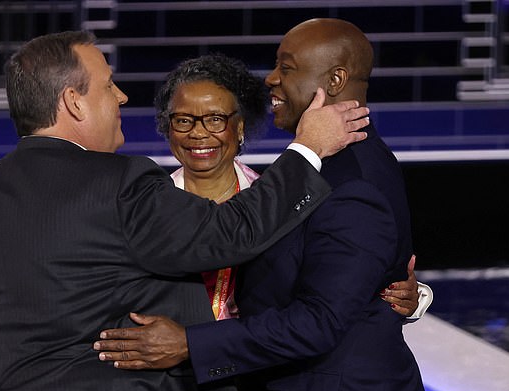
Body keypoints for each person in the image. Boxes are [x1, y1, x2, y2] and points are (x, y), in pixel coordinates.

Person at [0, 30, 369, 391]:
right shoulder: (119, 183)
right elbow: (233, 231)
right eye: (107, 85)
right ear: (74, 102)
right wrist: (308, 147)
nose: (121, 96)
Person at [96, 19, 434, 391]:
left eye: (286, 68)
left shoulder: (336, 181)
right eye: (183, 120)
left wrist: (189, 343)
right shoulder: (302, 177)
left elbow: (321, 317)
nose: (271, 79)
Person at [155, 53, 431, 321]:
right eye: (183, 120)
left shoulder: (286, 198)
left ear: (240, 126)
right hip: (162, 359)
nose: (198, 132)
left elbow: (331, 285)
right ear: (168, 128)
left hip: (255, 359)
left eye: (215, 119)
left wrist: (405, 293)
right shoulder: (145, 202)